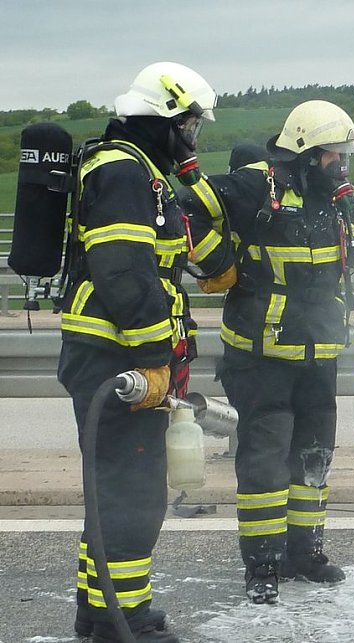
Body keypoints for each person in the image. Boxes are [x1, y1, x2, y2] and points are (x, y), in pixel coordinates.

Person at [57, 62, 218, 643]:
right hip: (117, 359)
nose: (192, 138)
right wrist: (154, 357)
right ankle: (119, 622)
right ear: (167, 118)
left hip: (119, 357)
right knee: (132, 496)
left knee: (119, 493)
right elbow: (124, 273)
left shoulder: (135, 169)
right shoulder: (125, 171)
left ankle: (104, 612)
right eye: (191, 125)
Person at [179, 100, 354, 604]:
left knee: (314, 456)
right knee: (265, 461)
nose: (340, 165)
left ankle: (305, 555)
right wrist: (219, 261)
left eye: (345, 156)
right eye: (332, 155)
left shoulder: (338, 196)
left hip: (319, 352)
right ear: (304, 151)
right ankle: (262, 563)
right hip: (261, 355)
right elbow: (188, 207)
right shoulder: (257, 183)